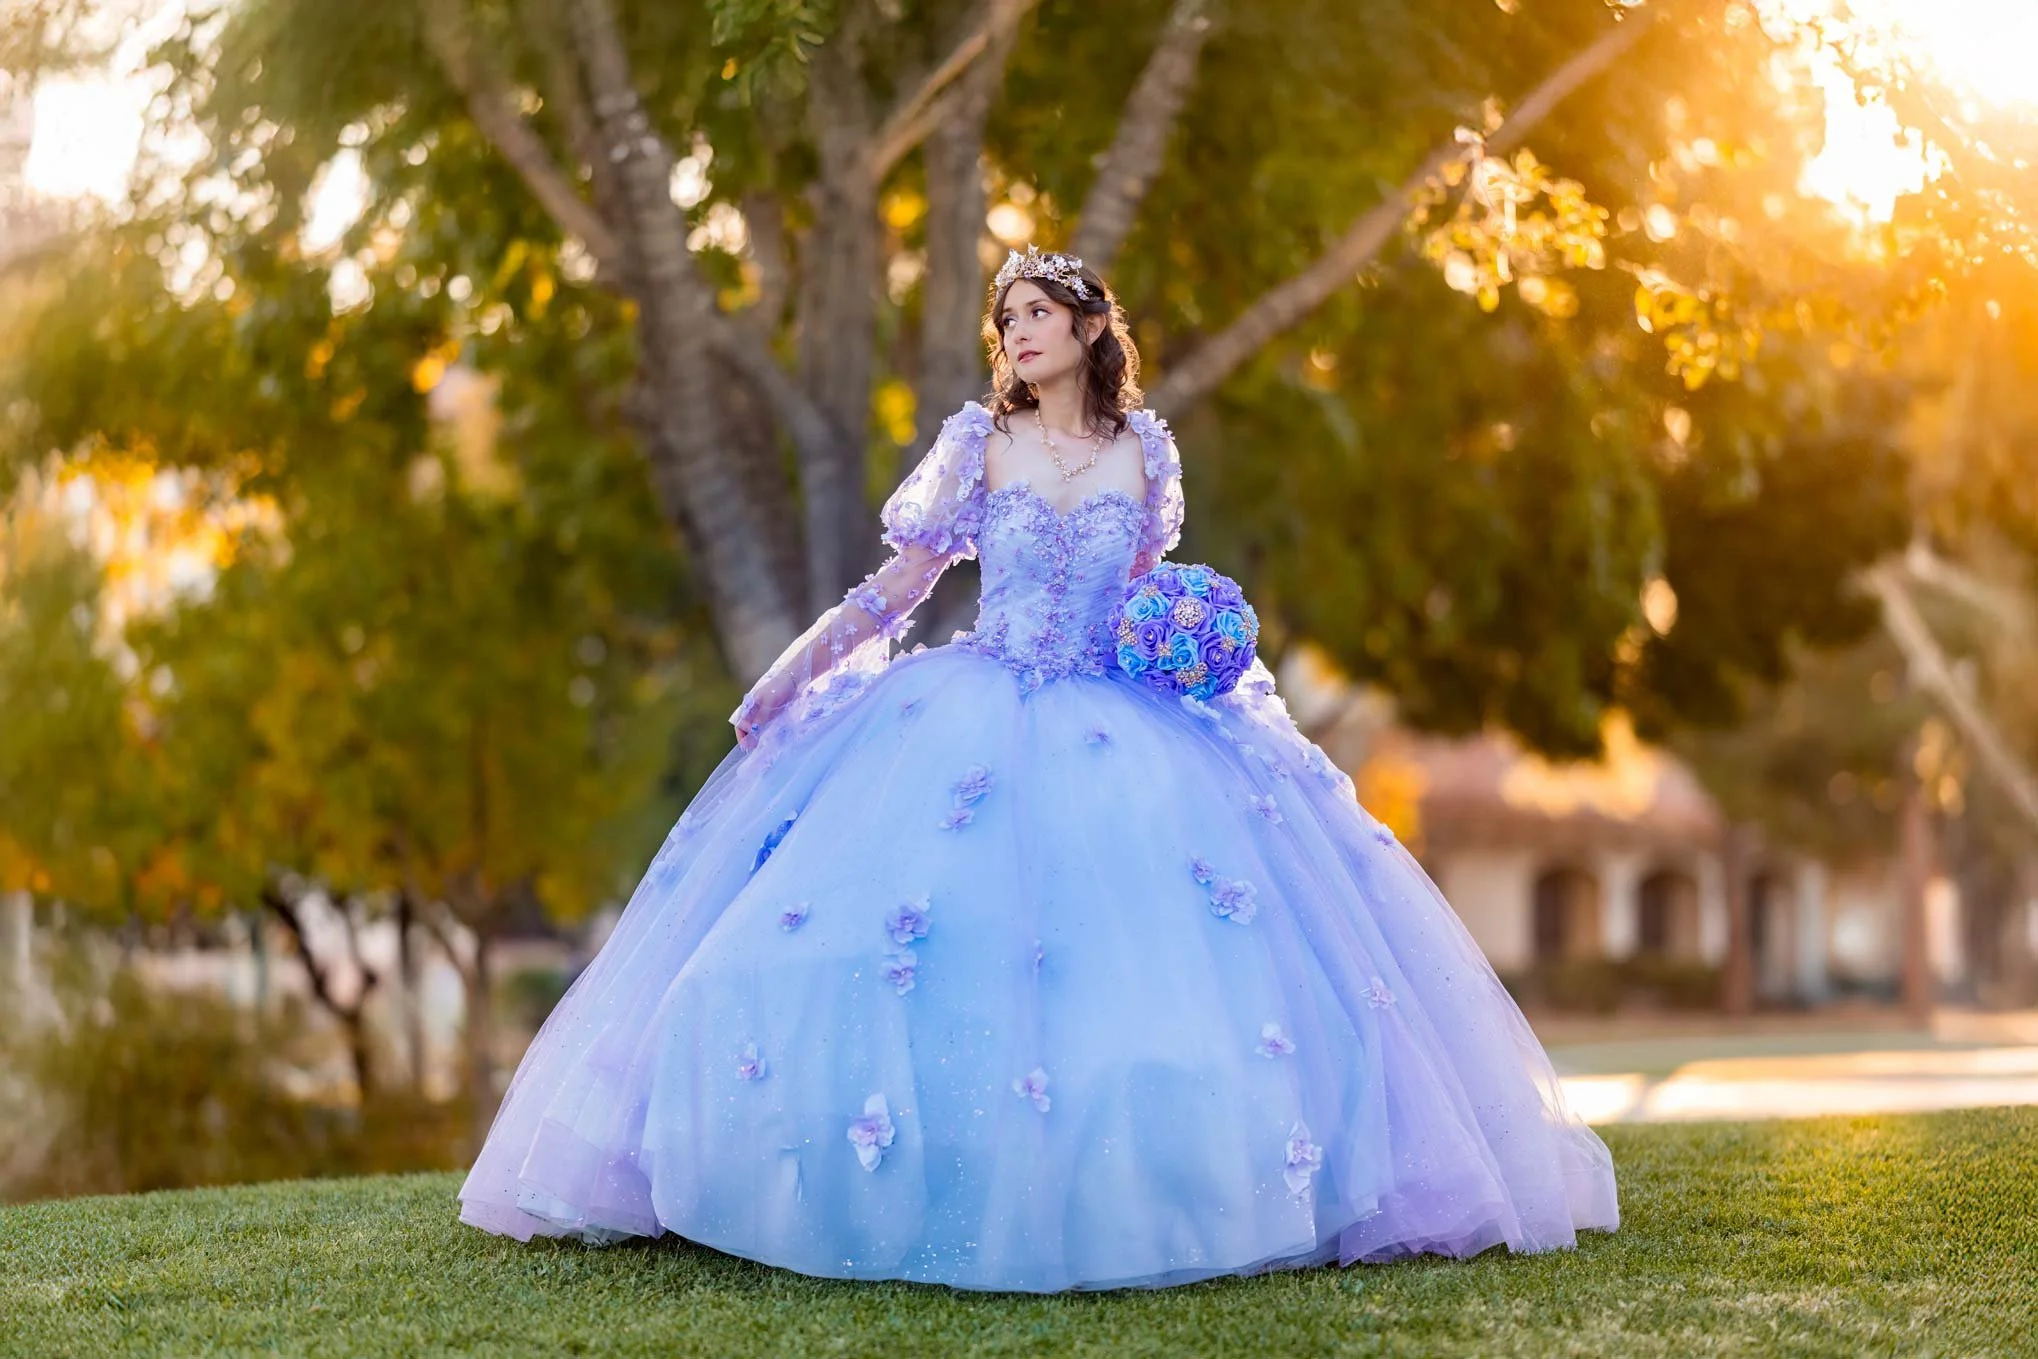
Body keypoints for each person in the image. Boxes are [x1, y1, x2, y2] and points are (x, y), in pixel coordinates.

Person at [458, 245, 1619, 1292]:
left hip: (1122, 723)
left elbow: (1143, 595)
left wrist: (1184, 641)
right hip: (972, 704)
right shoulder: (980, 441)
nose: (1015, 331)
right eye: (1003, 316)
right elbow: (895, 590)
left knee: (1150, 967)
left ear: (1086, 326)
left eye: (1036, 312)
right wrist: (792, 674)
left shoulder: (1143, 453)